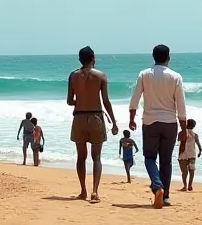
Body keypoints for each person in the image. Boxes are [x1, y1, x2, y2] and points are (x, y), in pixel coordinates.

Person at [129, 44, 187, 209]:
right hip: (170, 123)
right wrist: (183, 128)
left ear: (153, 57)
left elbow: (135, 99)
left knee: (149, 158)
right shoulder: (175, 77)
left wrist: (132, 118)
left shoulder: (144, 74)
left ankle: (157, 186)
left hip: (150, 122)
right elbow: (181, 105)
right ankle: (166, 196)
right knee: (166, 160)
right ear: (169, 58)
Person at [67, 46, 119, 203]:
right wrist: (114, 122)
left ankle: (83, 190)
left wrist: (81, 101)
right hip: (96, 117)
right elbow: (106, 101)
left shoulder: (73, 76)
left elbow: (70, 101)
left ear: (79, 59)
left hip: (79, 118)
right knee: (96, 157)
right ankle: (95, 191)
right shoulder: (101, 76)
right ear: (93, 58)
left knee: (81, 157)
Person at [178, 118, 202, 192]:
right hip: (192, 154)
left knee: (184, 172)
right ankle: (190, 185)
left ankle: (185, 186)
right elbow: (198, 144)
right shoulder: (195, 135)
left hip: (183, 154)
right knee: (191, 170)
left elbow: (178, 140)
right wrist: (200, 151)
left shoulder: (181, 133)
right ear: (194, 126)